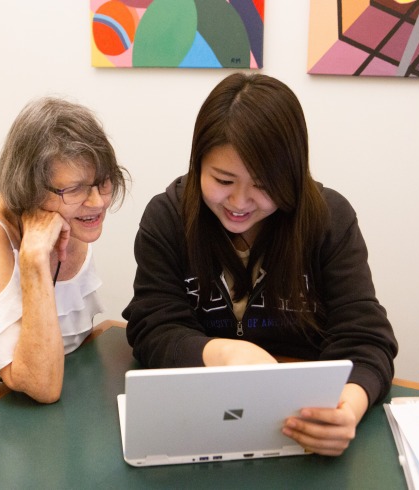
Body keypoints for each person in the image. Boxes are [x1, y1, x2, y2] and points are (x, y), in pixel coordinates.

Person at [122, 73, 398, 456]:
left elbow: (366, 340)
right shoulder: (167, 218)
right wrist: (224, 353)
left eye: (264, 184)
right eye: (223, 179)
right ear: (198, 163)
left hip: (297, 428)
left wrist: (346, 410)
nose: (239, 201)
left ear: (292, 176)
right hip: (197, 421)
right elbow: (153, 328)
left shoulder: (328, 220)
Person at [0, 96, 128, 426]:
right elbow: (38, 384)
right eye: (76, 189)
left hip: (51, 418)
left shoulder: (70, 216)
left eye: (102, 182)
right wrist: (33, 259)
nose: (97, 201)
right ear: (31, 188)